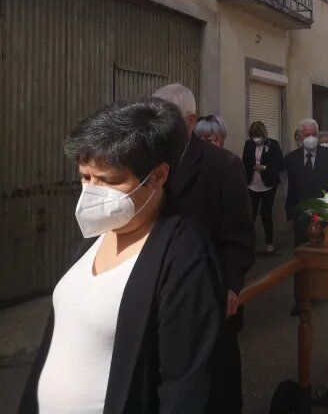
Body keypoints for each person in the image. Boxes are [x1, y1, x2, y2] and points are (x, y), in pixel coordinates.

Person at [20, 98, 223, 413]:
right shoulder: (99, 233)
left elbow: (186, 386)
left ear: (157, 176)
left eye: (109, 181)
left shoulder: (186, 258)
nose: (93, 192)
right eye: (86, 177)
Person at [153, 84, 254, 413]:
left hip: (212, 294)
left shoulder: (223, 165)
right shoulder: (149, 164)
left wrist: (230, 286)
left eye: (165, 119)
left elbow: (239, 235)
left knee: (218, 386)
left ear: (190, 120)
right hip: (164, 289)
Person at [284, 118, 328, 246]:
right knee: (302, 251)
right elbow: (291, 188)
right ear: (300, 136)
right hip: (301, 214)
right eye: (307, 135)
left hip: (326, 213)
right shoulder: (291, 158)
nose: (310, 138)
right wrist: (290, 215)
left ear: (318, 135)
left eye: (313, 134)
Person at [242, 121, 284, 255]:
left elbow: (280, 164)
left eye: (258, 135)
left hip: (268, 184)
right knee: (251, 214)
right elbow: (244, 163)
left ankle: (269, 244)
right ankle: (249, 244)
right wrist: (252, 167)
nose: (256, 138)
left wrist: (265, 167)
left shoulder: (273, 144)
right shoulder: (248, 145)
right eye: (253, 136)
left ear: (263, 134)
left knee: (265, 214)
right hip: (252, 184)